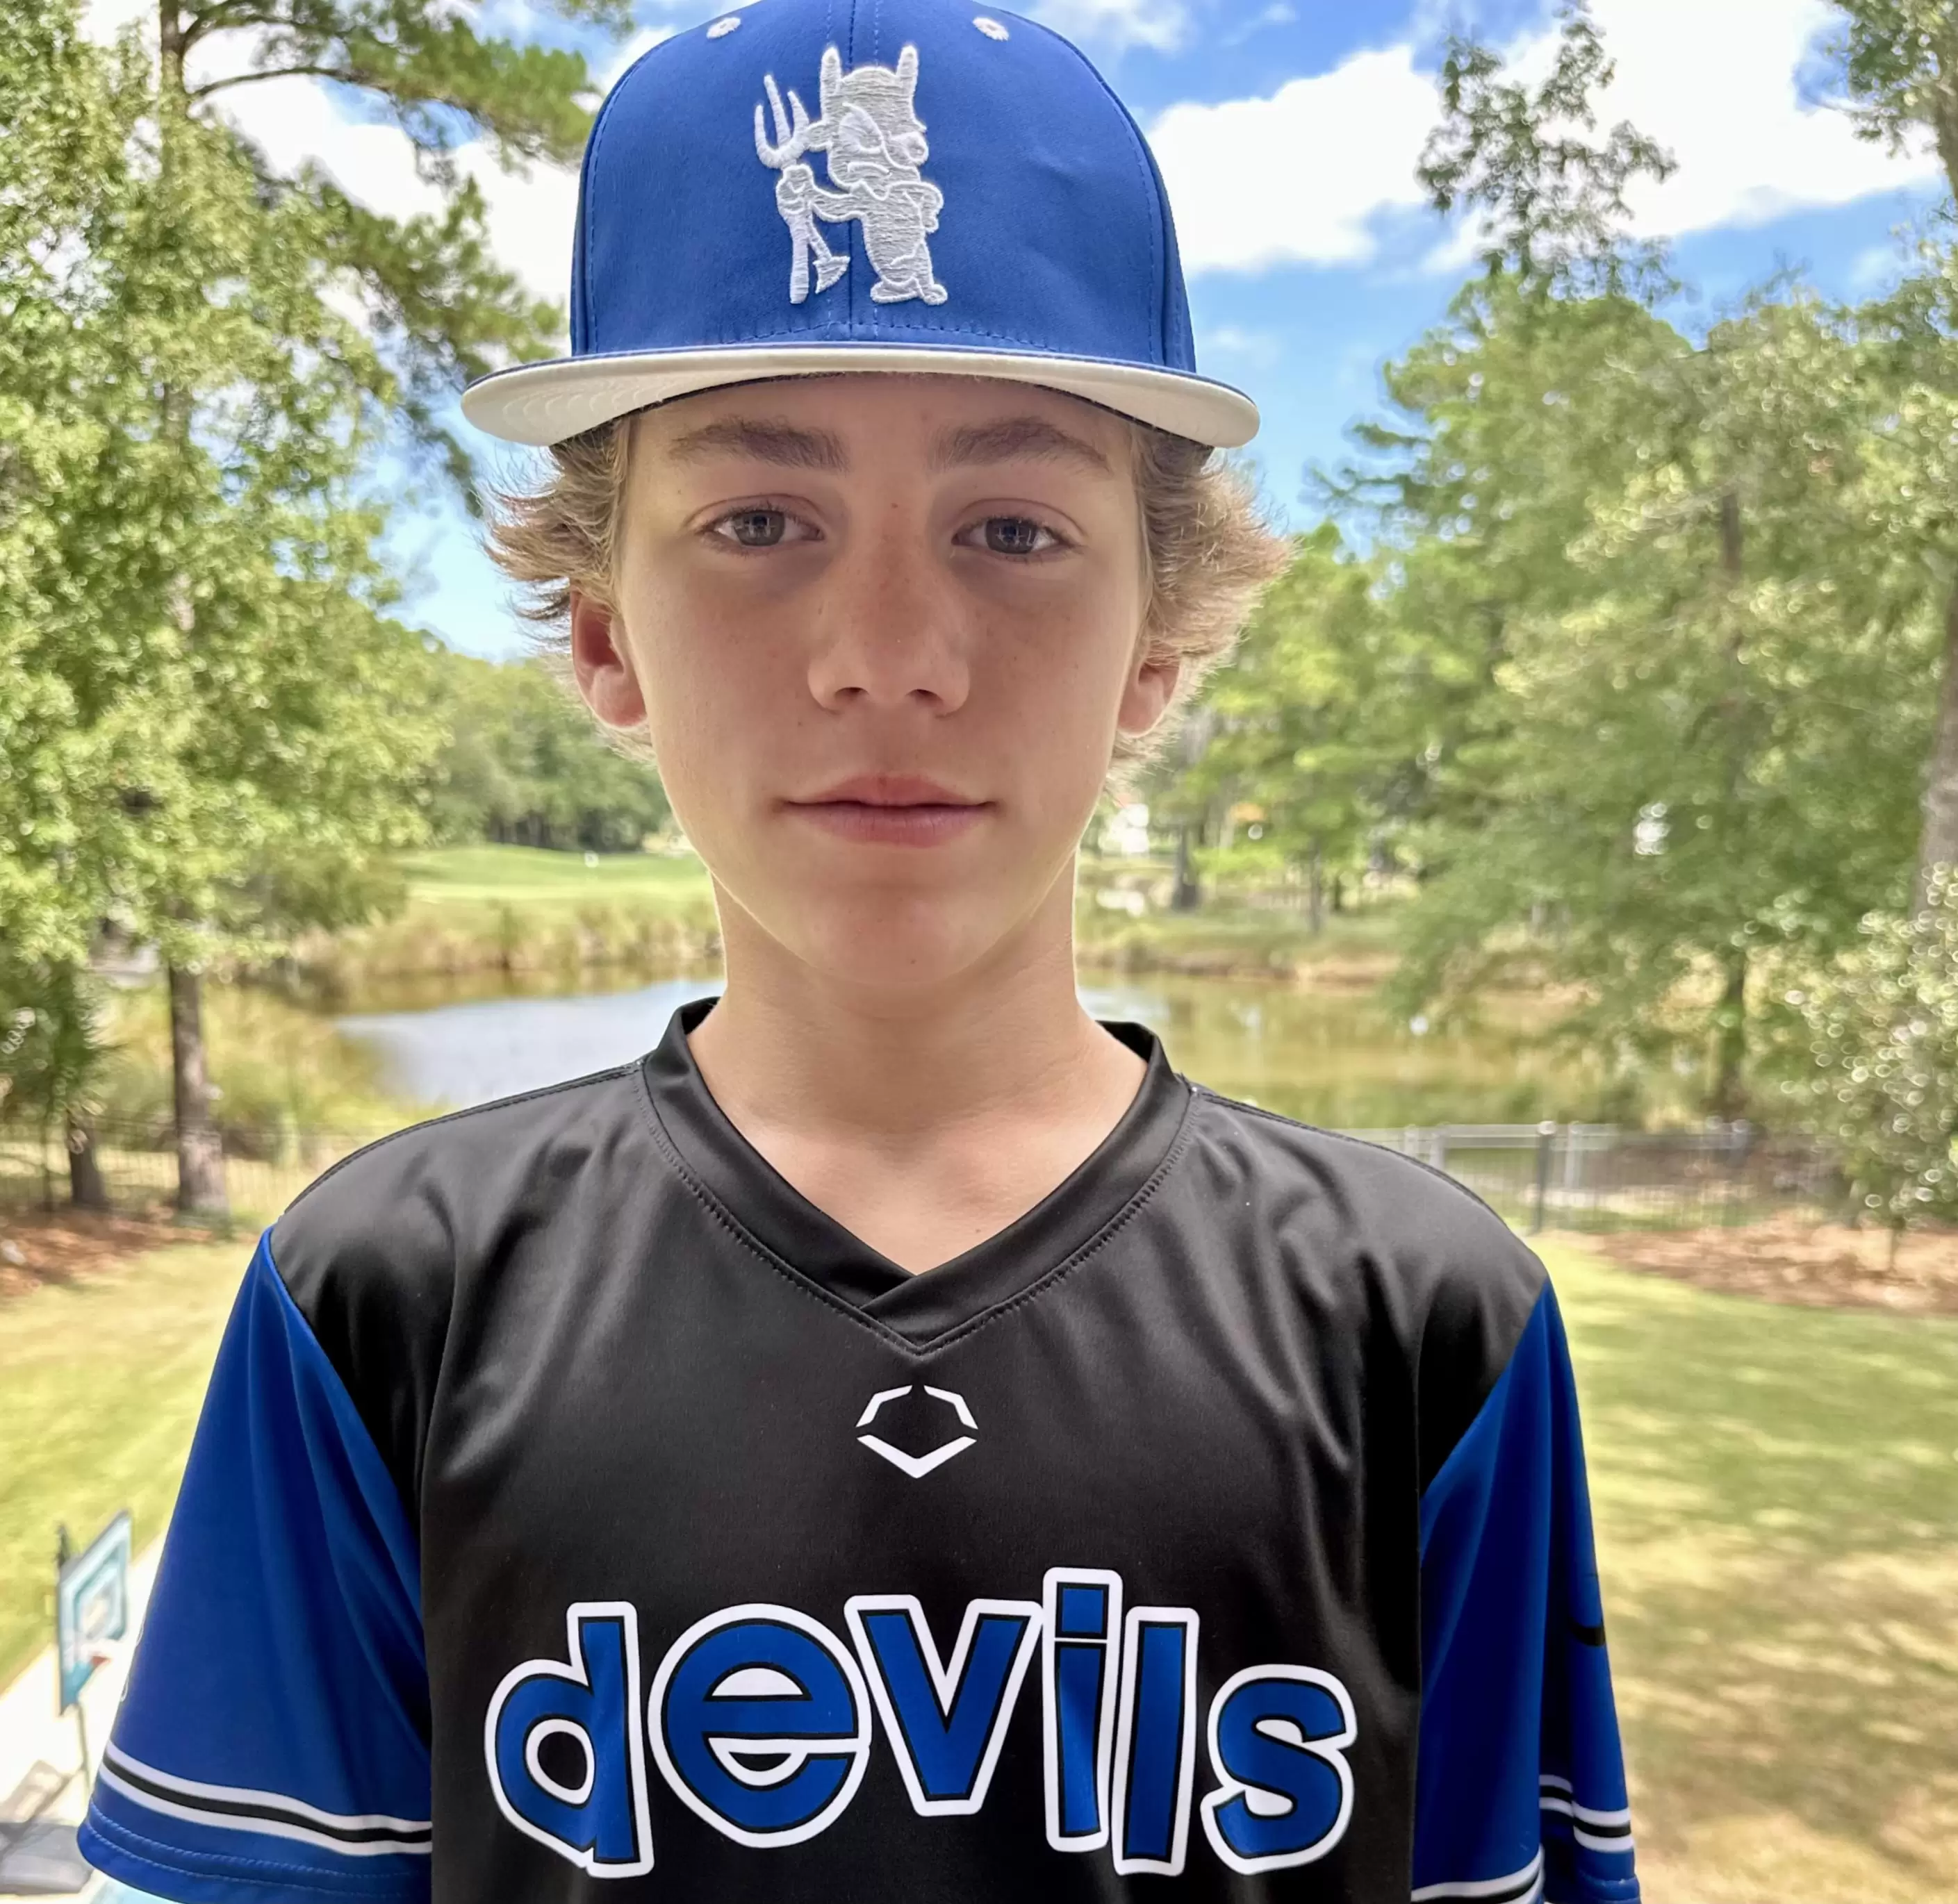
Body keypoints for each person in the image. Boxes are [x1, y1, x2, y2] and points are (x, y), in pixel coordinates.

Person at [80, 1, 1640, 1899]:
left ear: (1158, 644)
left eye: (1012, 528)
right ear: (606, 634)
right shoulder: (386, 1299)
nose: (888, 654)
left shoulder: (1428, 1324)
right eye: (760, 519)